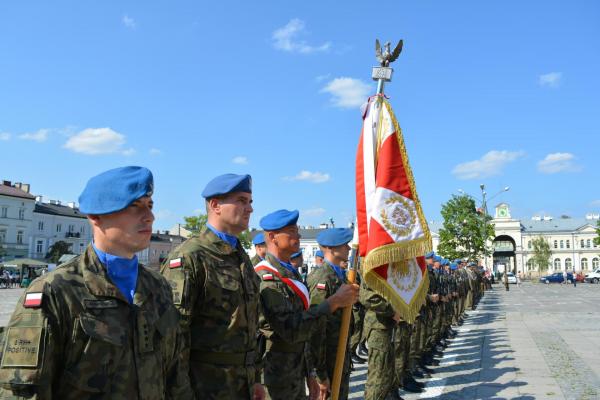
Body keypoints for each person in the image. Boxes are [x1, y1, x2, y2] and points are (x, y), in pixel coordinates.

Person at [0, 166, 193, 399]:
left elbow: (176, 377)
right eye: (135, 206)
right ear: (95, 216)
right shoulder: (55, 292)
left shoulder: (158, 287)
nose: (149, 216)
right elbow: (24, 391)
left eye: (150, 205)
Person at [160, 173, 265, 400]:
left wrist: (255, 378)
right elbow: (174, 337)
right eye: (241, 201)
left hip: (241, 384)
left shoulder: (240, 256)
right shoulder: (190, 257)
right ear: (215, 205)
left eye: (250, 202)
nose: (250, 209)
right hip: (205, 387)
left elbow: (249, 327)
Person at [255, 209, 359, 400]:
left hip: (295, 372)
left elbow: (309, 333)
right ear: (273, 237)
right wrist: (333, 302)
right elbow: (291, 329)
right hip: (275, 377)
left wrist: (310, 372)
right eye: (292, 231)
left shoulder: (290, 273)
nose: (299, 235)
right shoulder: (265, 277)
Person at [306, 228, 357, 399]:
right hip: (327, 360)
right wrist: (320, 373)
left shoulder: (340, 277)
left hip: (339, 355)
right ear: (331, 248)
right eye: (345, 245)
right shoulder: (322, 277)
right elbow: (316, 327)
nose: (349, 249)